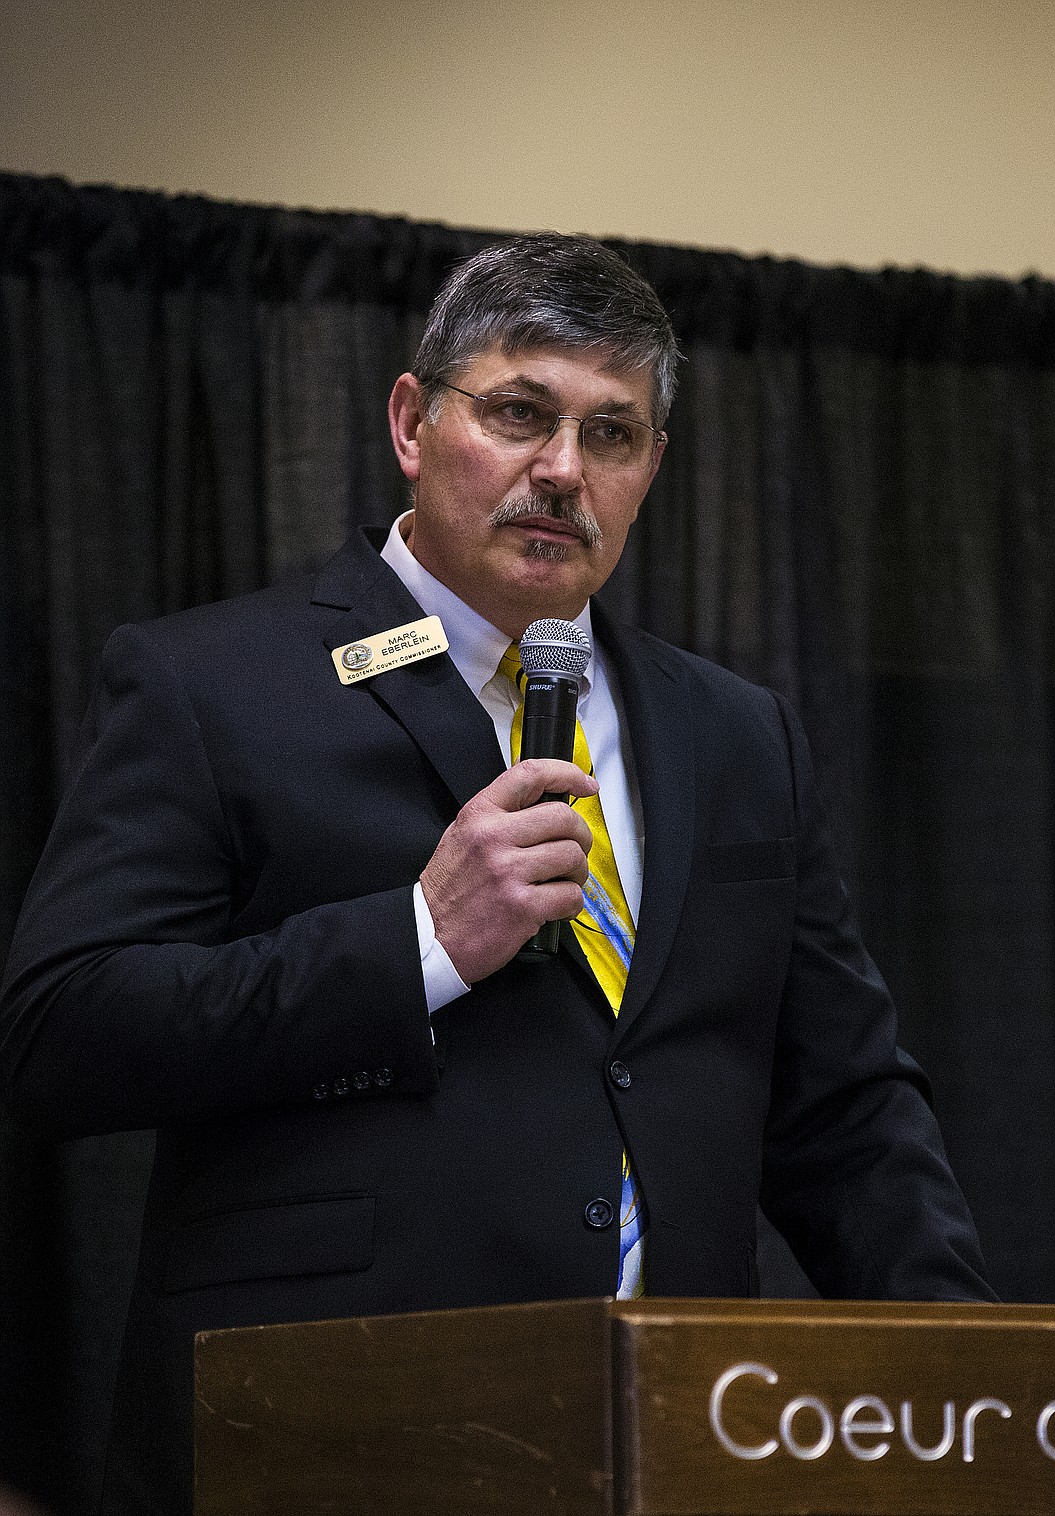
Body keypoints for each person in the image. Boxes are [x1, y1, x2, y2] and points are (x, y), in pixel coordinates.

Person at [0, 233, 994, 1515]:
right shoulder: (214, 684)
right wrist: (416, 940)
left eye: (612, 435)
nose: (562, 471)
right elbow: (58, 1035)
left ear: (651, 470)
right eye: (521, 412)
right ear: (414, 421)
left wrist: (974, 1378)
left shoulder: (736, 734)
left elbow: (846, 1108)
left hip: (684, 1442)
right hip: (338, 1436)